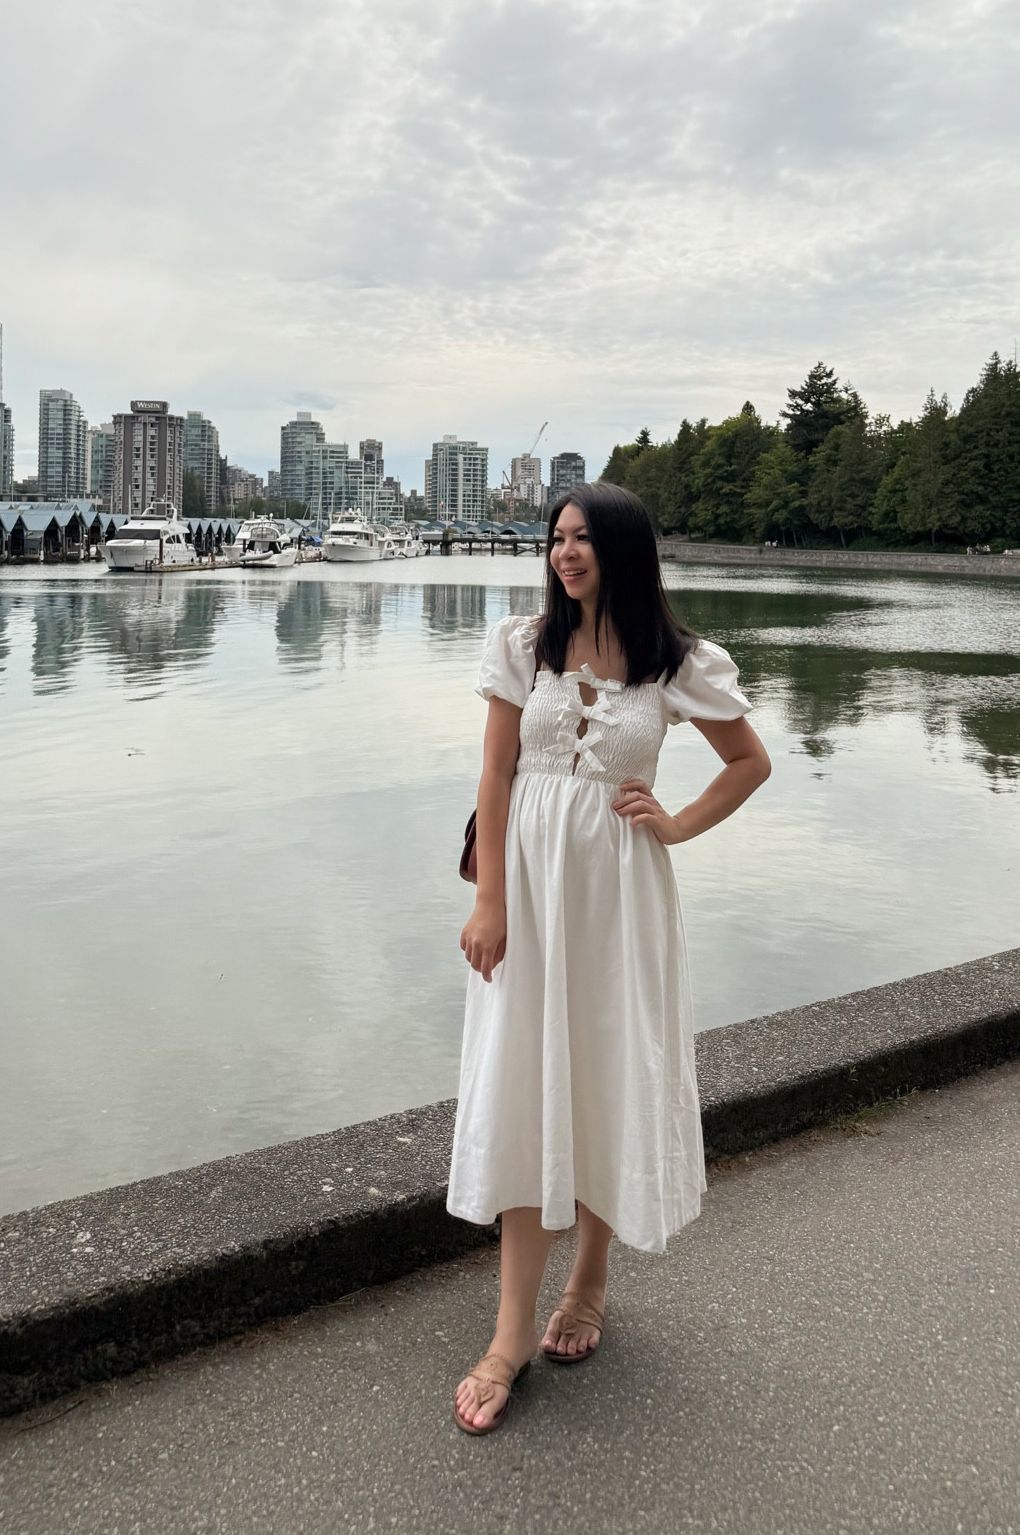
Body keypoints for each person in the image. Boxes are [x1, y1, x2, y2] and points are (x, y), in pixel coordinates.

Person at [448, 483, 771, 1435]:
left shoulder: (677, 664)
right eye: (556, 537)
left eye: (583, 537)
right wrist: (491, 897)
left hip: (620, 900)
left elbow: (748, 761)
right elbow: (497, 773)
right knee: (524, 1081)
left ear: (623, 548)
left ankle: (588, 1281)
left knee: (602, 1076)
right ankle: (509, 1332)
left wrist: (673, 825)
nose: (564, 552)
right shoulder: (522, 646)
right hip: (533, 899)